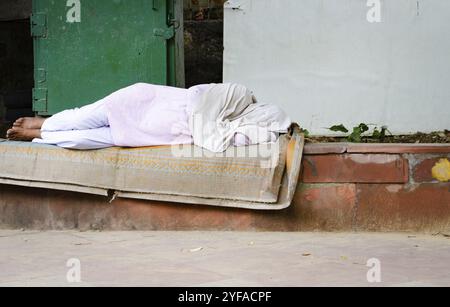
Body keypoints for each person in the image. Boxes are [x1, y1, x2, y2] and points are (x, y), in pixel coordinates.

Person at [6, 83, 291, 152]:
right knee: (83, 117)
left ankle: (40, 134)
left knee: (83, 141)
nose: (263, 129)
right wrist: (210, 131)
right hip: (142, 102)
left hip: (152, 133)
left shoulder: (238, 131)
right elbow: (200, 102)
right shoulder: (237, 93)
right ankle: (44, 122)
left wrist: (214, 132)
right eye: (266, 123)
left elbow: (220, 141)